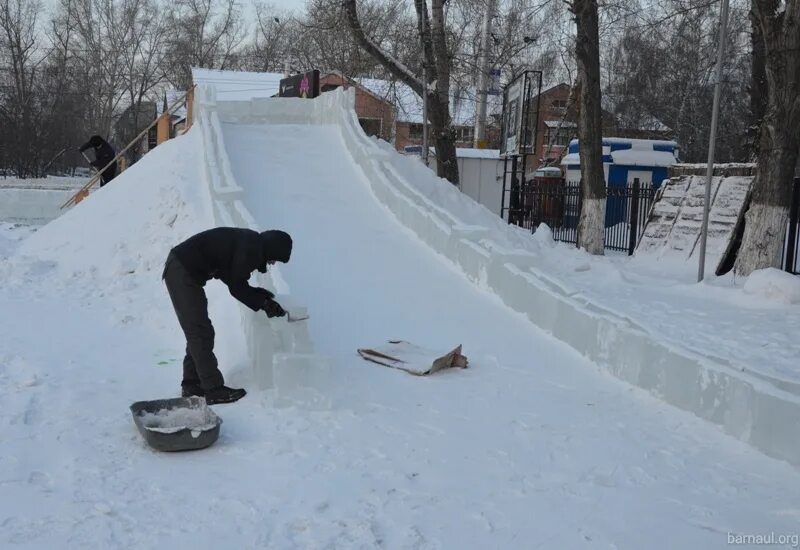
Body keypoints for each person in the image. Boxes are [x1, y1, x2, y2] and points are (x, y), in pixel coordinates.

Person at [162, 228, 293, 405]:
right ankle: (214, 390)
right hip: (182, 271)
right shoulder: (251, 249)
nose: (272, 263)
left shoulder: (249, 242)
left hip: (181, 268)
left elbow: (231, 276)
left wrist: (260, 298)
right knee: (200, 331)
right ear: (272, 249)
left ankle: (192, 385)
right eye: (275, 258)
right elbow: (237, 286)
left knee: (199, 331)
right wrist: (264, 303)